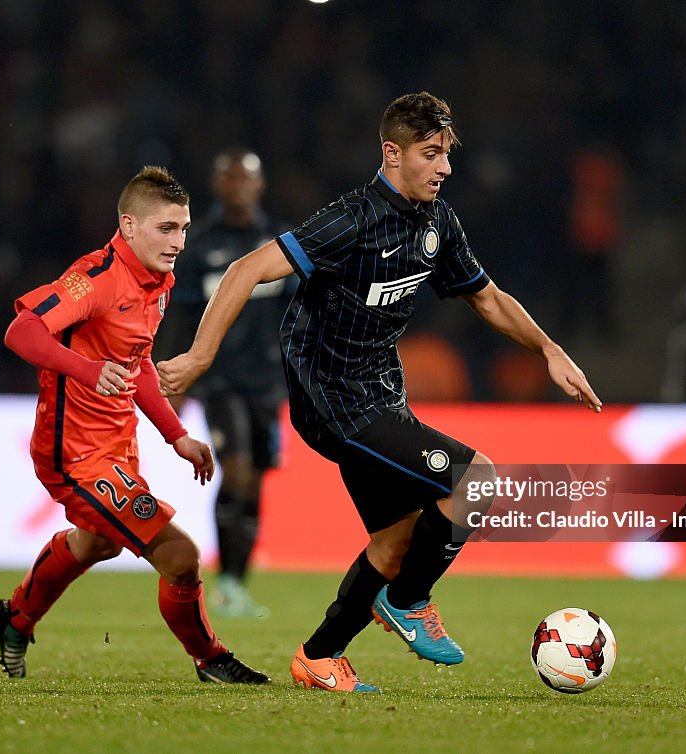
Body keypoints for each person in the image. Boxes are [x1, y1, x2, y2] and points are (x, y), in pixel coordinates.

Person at [157, 93, 601, 693]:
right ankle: (410, 601)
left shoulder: (438, 222)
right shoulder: (352, 219)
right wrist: (201, 355)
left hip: (380, 394)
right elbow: (244, 270)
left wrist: (548, 348)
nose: (444, 167)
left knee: (396, 539)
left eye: (447, 154)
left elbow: (487, 297)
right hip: (333, 401)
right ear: (392, 153)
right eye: (431, 153)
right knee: (477, 480)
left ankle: (320, 656)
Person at [0, 166, 269, 685]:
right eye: (166, 228)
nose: (178, 241)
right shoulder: (93, 278)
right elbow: (20, 332)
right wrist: (87, 369)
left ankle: (15, 619)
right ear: (129, 225)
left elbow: (138, 368)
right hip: (74, 455)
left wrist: (175, 434)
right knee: (181, 557)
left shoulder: (159, 282)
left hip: (117, 446)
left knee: (97, 543)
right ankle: (211, 658)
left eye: (182, 228)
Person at [165, 149, 293, 618]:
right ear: (218, 186)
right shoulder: (198, 246)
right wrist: (175, 378)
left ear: (260, 185)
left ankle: (238, 583)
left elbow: (299, 312)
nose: (238, 186)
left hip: (269, 382)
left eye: (247, 179)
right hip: (219, 380)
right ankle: (226, 584)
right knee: (236, 468)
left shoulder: (279, 241)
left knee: (255, 480)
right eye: (230, 179)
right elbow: (179, 314)